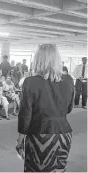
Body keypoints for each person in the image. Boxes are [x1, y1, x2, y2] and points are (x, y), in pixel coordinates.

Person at [17, 43, 74, 172]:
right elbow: (69, 109)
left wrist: (20, 138)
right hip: (64, 133)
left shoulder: (30, 81)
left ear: (38, 59)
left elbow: (25, 113)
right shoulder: (69, 80)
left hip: (40, 134)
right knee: (59, 170)